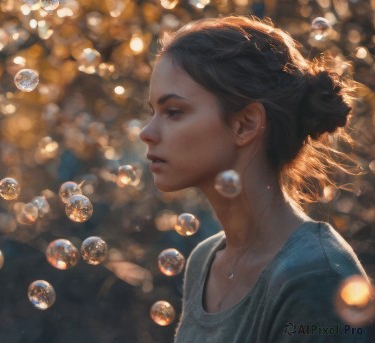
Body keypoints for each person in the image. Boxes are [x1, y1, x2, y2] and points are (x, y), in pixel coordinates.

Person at [139, 16, 372, 342]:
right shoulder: (205, 261)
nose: (146, 133)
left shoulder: (314, 278)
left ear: (245, 124)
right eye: (152, 111)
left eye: (173, 111)